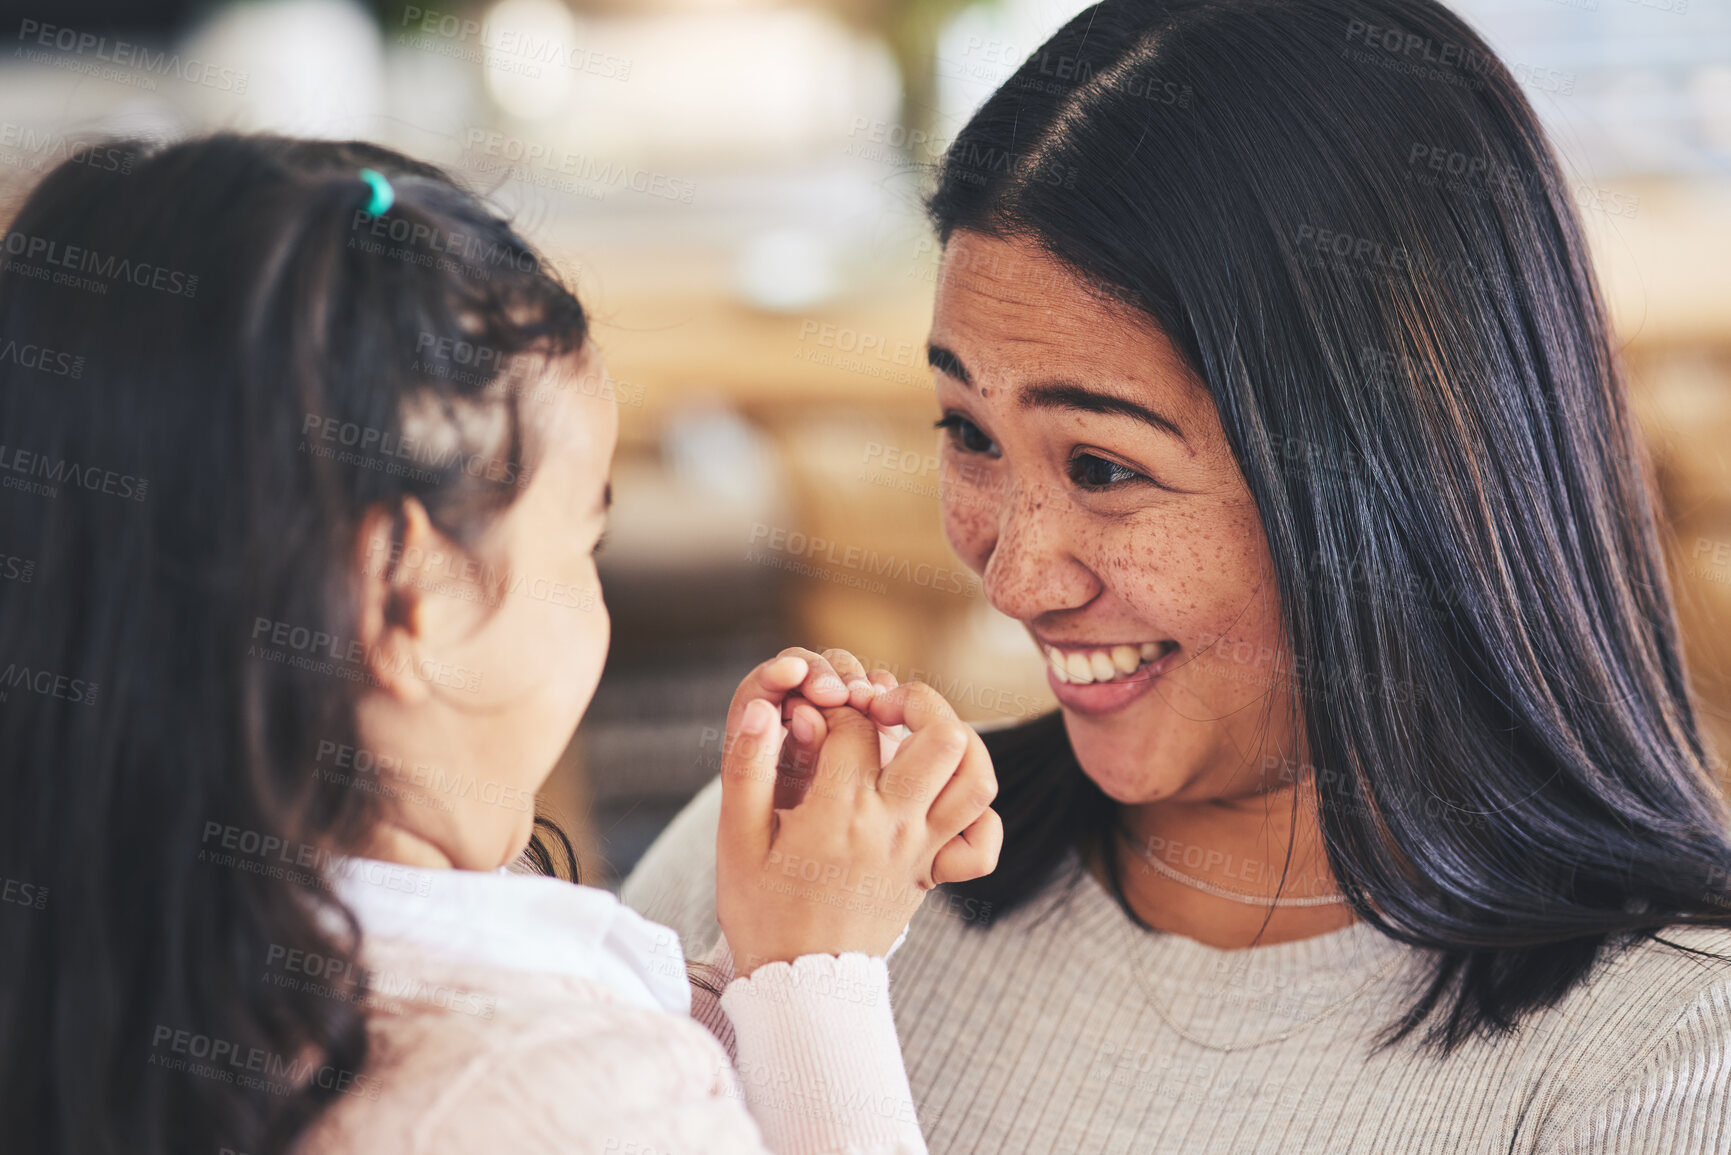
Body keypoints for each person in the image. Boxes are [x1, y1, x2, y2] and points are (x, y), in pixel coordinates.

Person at [623, 1, 1731, 1151]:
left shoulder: (1677, 1057)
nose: (1012, 574)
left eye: (1102, 466)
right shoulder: (791, 874)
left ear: (1409, 463)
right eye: (968, 431)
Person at [0, 133, 1002, 1155]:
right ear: (408, 596)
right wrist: (817, 976)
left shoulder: (117, 954)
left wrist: (761, 959)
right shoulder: (552, 1101)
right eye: (584, 544)